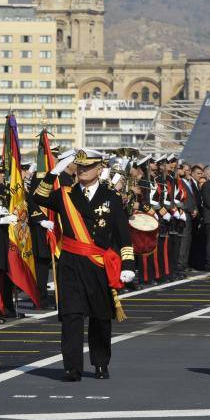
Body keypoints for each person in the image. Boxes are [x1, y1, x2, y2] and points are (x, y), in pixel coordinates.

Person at [33, 149, 135, 382]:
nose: (82, 170)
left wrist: (128, 263)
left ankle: (100, 363)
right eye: (79, 167)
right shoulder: (64, 194)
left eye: (87, 167)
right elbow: (38, 197)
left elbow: (122, 234)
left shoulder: (111, 198)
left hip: (98, 264)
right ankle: (72, 367)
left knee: (100, 317)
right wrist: (52, 174)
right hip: (70, 262)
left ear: (99, 169)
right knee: (71, 316)